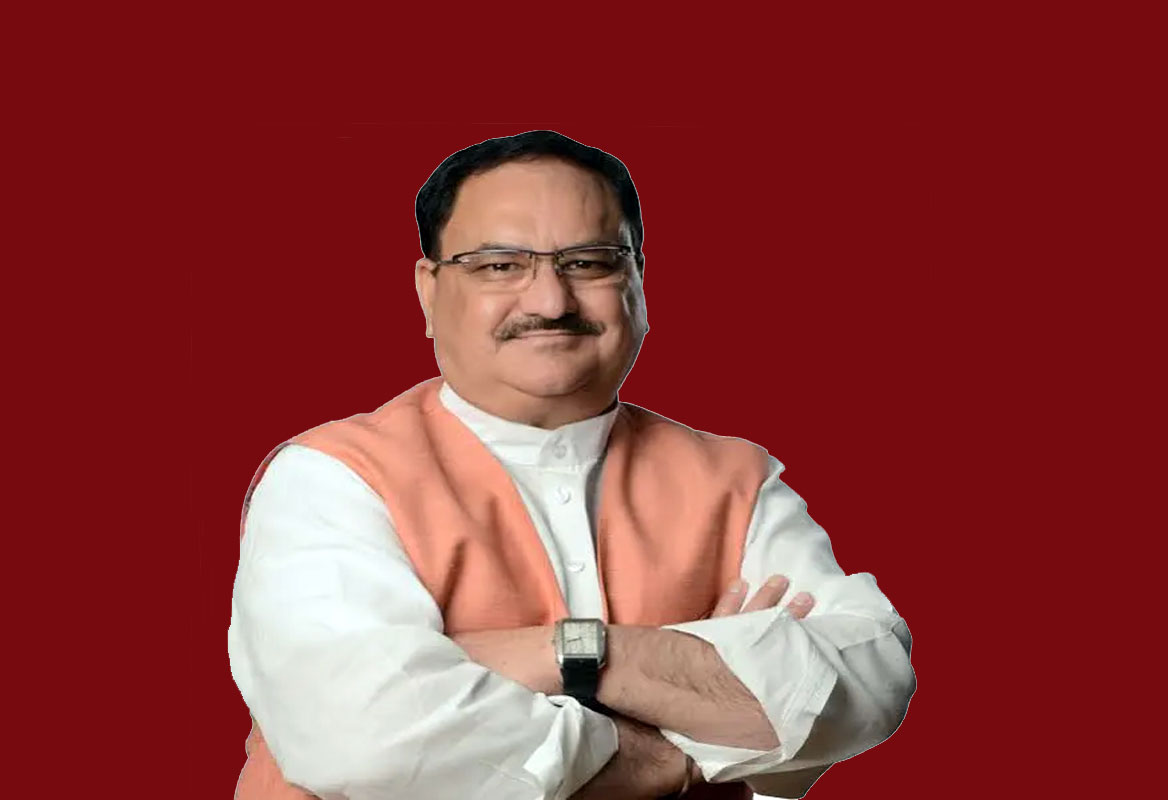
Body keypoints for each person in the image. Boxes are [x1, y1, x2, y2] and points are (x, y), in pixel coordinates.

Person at [228, 130, 916, 800]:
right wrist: (683, 740)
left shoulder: (736, 479)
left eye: (588, 262)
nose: (550, 302)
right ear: (429, 291)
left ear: (638, 280)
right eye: (500, 265)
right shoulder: (329, 478)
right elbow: (366, 737)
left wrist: (565, 657)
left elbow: (869, 684)